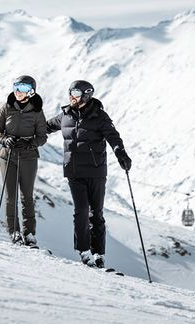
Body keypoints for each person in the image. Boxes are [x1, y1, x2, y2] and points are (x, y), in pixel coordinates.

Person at [46, 80, 131, 268]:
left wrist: (121, 153)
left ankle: (99, 253)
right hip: (74, 172)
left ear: (86, 95)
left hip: (96, 172)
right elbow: (45, 127)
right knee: (81, 211)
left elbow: (113, 136)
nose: (72, 96)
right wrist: (24, 133)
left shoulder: (99, 116)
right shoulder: (65, 116)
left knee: (96, 214)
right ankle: (84, 251)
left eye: (76, 93)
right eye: (70, 92)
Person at [0, 75, 48, 246]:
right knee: (10, 196)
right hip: (7, 156)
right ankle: (14, 232)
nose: (18, 91)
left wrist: (29, 143)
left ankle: (29, 234)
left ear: (31, 91)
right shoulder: (6, 107)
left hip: (28, 157)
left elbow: (42, 137)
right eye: (16, 86)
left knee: (27, 197)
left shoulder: (37, 111)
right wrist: (4, 140)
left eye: (23, 88)